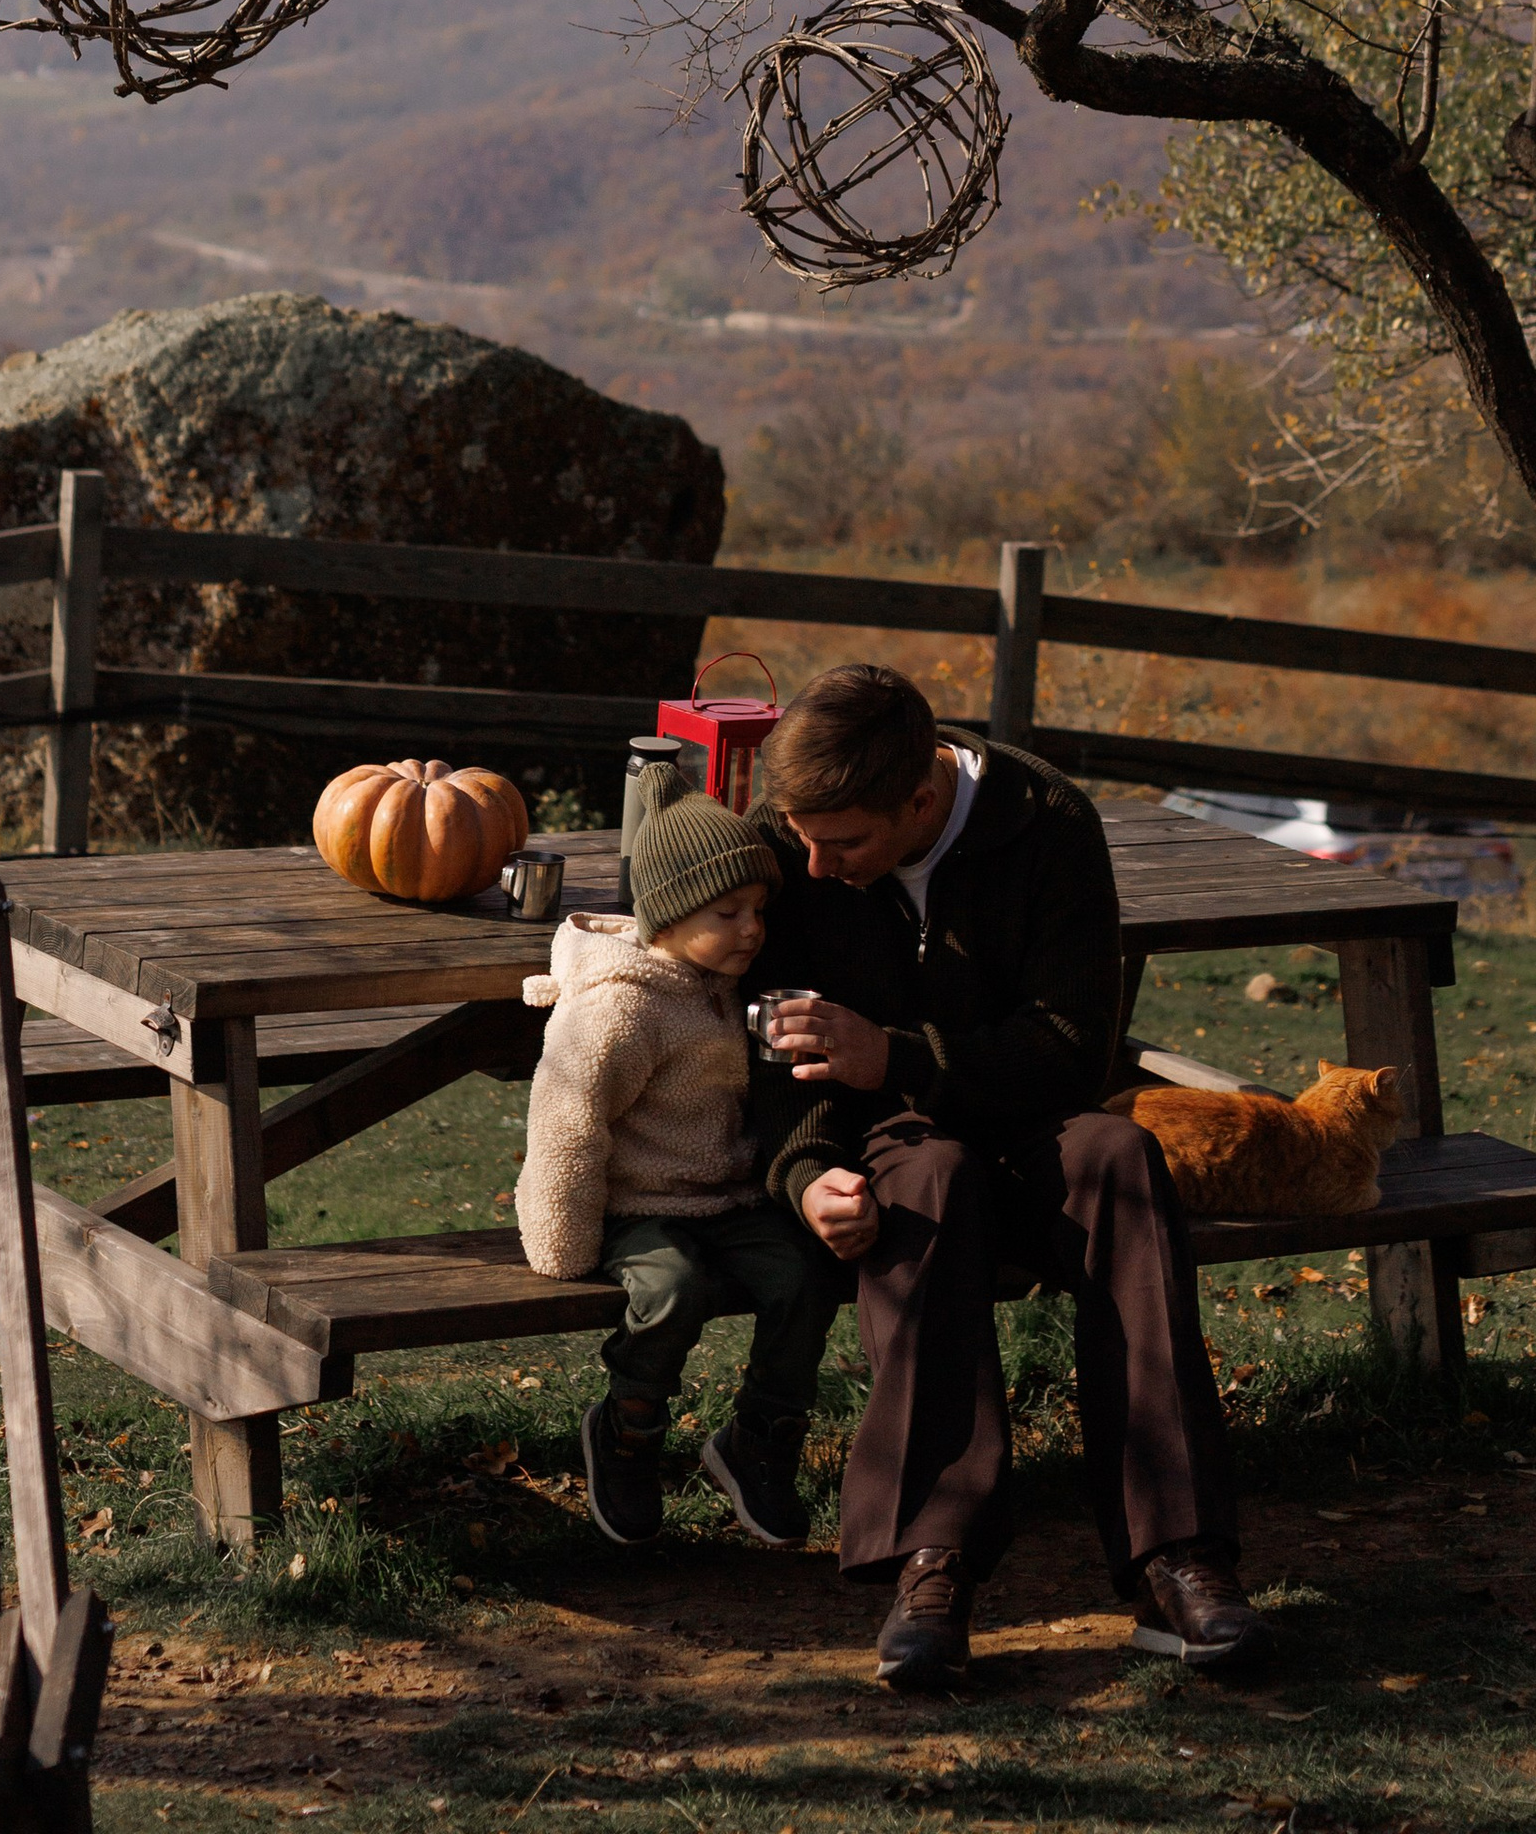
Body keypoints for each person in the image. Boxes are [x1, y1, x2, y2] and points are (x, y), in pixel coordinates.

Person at [747, 661, 1261, 1693]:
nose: (813, 863)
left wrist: (897, 1053)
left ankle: (1176, 1555)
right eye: (803, 836)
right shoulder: (790, 842)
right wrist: (805, 1175)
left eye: (843, 843)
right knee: (932, 1180)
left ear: (921, 801)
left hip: (1035, 1118)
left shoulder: (1046, 822)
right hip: (895, 1138)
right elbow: (773, 1042)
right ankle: (930, 1561)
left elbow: (1071, 1045)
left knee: (1122, 1160)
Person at [516, 771, 843, 1551]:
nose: (751, 929)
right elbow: (565, 1118)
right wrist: (563, 1244)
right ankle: (628, 1426)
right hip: (639, 1205)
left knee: (805, 1276)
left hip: (730, 1197)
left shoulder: (726, 983)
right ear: (665, 917)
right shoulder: (620, 1007)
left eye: (758, 910)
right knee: (672, 1291)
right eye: (728, 913)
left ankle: (761, 1437)